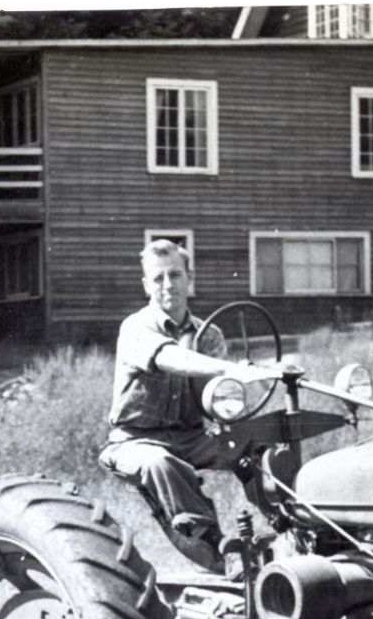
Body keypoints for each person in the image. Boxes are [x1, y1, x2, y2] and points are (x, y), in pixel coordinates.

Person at [98, 239, 275, 572]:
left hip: (192, 438)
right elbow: (169, 357)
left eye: (175, 275)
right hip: (135, 441)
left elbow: (217, 398)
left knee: (257, 446)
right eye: (158, 278)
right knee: (160, 463)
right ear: (146, 285)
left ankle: (292, 530)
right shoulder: (136, 328)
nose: (168, 285)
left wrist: (251, 379)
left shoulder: (209, 335)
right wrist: (229, 369)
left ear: (189, 278)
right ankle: (220, 553)